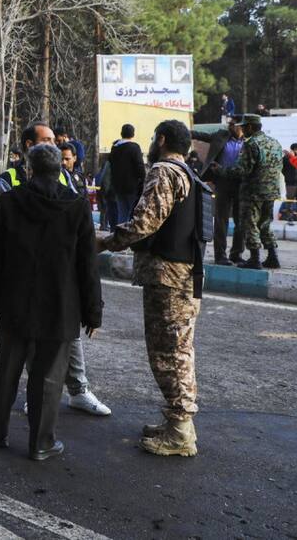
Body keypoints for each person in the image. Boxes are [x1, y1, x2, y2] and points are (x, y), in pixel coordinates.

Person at [0, 144, 101, 461]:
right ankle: (41, 443)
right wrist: (93, 313)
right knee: (48, 379)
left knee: (6, 370)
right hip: (59, 308)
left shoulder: (8, 203)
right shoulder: (77, 206)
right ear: (60, 169)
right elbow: (87, 265)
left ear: (29, 170)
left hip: (14, 303)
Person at [100, 120, 207, 457]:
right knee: (178, 349)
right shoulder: (189, 173)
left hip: (167, 276)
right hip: (186, 273)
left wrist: (107, 241)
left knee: (168, 353)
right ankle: (178, 423)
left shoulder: (164, 171)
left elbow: (146, 222)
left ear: (161, 140)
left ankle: (180, 433)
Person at [0, 122, 111, 417]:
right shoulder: (8, 181)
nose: (55, 145)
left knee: (69, 338)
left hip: (59, 278)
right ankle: (38, 396)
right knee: (31, 342)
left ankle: (78, 390)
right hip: (24, 279)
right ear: (29, 146)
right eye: (47, 140)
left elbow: (77, 232)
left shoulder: (65, 178)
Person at [217, 114, 283, 269]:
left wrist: (221, 171)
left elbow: (241, 170)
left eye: (244, 127)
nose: (242, 129)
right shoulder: (275, 143)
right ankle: (273, 256)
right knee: (265, 223)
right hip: (271, 191)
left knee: (250, 224)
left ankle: (255, 258)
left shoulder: (251, 144)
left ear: (250, 127)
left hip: (253, 191)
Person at [194, 119, 247, 265]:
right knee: (221, 220)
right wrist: (185, 132)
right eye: (231, 124)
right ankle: (220, 255)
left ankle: (236, 254)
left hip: (241, 184)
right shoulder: (221, 135)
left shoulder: (249, 140)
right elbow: (201, 135)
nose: (232, 127)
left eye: (235, 125)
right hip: (222, 182)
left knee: (240, 221)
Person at [108, 124, 146, 225]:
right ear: (133, 134)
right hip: (132, 187)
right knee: (133, 213)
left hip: (118, 187)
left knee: (122, 213)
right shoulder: (134, 147)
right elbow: (140, 167)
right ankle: (130, 238)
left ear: (121, 133)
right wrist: (143, 180)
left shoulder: (114, 148)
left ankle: (120, 235)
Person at [281, 143, 297, 224]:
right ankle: (290, 219)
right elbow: (283, 170)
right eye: (296, 150)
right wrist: (288, 177)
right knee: (290, 202)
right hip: (290, 184)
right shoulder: (285, 159)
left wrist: (292, 156)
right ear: (292, 150)